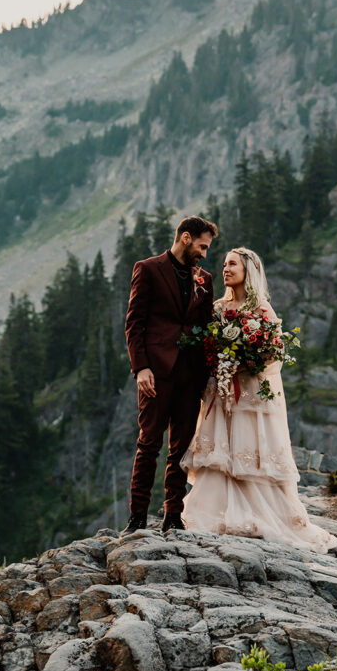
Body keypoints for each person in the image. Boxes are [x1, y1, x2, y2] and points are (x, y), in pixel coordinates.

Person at [182, 247, 337, 552]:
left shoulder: (261, 308)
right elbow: (207, 345)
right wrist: (219, 358)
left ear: (247, 270)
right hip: (222, 386)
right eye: (225, 264)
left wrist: (246, 360)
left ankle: (260, 510)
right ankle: (214, 509)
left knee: (248, 446)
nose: (225, 269)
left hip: (250, 391)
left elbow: (273, 353)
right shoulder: (218, 307)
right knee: (220, 448)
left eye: (232, 264)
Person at [122, 215, 217, 535]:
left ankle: (173, 515)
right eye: (202, 246)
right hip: (156, 374)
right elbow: (134, 323)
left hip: (191, 376)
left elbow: (206, 330)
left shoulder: (205, 278)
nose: (204, 253)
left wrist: (210, 375)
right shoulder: (147, 269)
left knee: (181, 449)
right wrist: (141, 368)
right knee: (148, 443)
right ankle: (136, 517)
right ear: (186, 238)